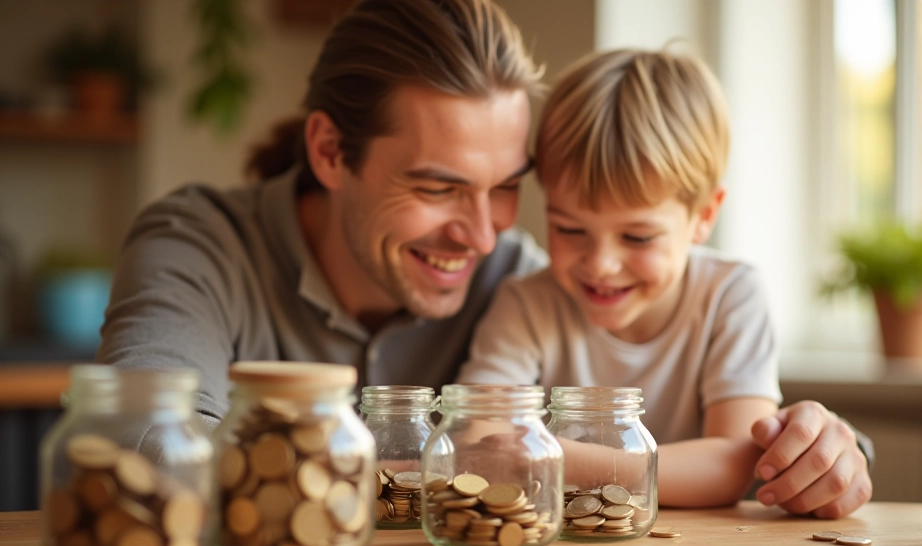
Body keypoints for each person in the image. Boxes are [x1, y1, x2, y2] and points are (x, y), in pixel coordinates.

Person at [97, 0, 870, 518]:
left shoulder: (518, 274)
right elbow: (149, 446)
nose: (482, 234)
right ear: (331, 151)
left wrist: (826, 451)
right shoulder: (199, 245)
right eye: (438, 187)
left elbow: (733, 439)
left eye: (505, 189)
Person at [456, 48, 873, 518]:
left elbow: (733, 464)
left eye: (637, 236)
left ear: (704, 216)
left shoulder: (729, 296)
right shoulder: (523, 303)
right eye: (570, 229)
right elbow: (479, 440)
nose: (602, 264)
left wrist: (552, 457)